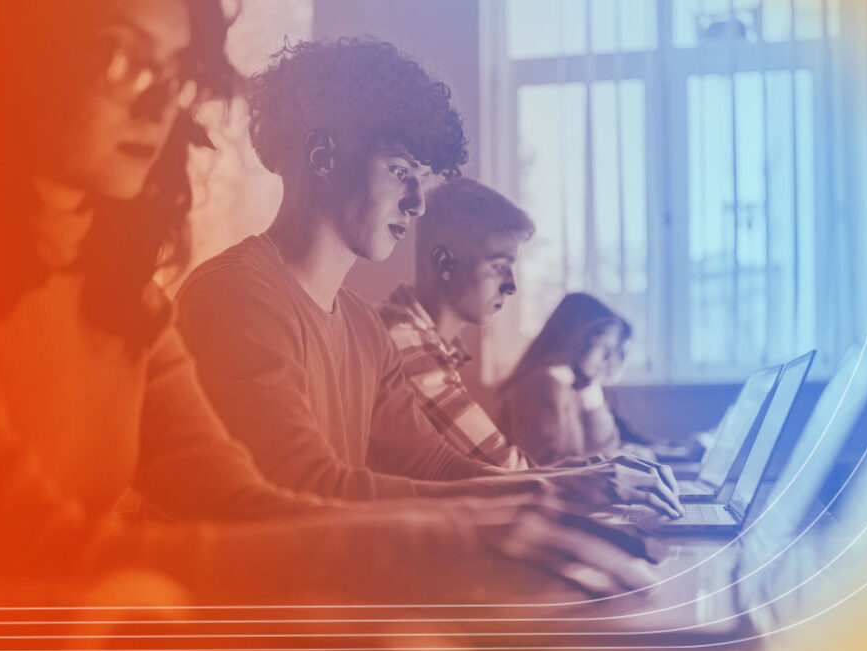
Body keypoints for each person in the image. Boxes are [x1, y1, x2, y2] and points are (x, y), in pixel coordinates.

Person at [0, 0, 668, 625]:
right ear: (6, 54)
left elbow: (245, 497)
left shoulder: (127, 297)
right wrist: (452, 538)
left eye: (173, 73)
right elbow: (30, 551)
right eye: (116, 54)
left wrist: (544, 498)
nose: (157, 102)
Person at [176, 38, 683, 516]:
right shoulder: (236, 298)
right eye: (401, 171)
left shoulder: (364, 326)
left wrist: (564, 488)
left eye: (421, 180)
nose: (417, 204)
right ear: (323, 156)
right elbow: (308, 488)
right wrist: (544, 493)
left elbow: (435, 466)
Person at [379, 177, 534, 470]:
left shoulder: (434, 342)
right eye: (500, 267)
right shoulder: (405, 339)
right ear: (445, 264)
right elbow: (507, 470)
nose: (511, 286)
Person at [498, 293, 638, 466]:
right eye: (603, 346)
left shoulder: (572, 385)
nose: (609, 359)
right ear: (576, 337)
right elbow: (548, 467)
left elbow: (605, 449)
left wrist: (592, 397)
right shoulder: (540, 384)